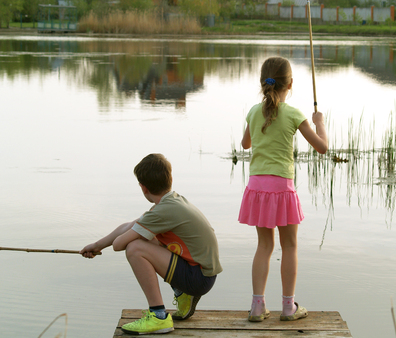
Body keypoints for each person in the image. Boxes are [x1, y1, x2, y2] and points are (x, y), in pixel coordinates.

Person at [81, 153, 222, 334]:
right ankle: (182, 292)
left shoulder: (161, 212)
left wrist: (132, 237)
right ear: (170, 178)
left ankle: (158, 316)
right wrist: (97, 245)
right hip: (203, 274)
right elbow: (130, 226)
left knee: (135, 248)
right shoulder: (171, 202)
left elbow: (119, 244)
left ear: (143, 187)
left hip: (198, 278)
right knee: (147, 237)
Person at [238, 57, 328, 322]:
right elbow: (322, 147)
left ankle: (257, 306)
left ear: (264, 83)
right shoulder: (293, 114)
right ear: (290, 83)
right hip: (281, 187)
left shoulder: (254, 111)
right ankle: (288, 307)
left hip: (257, 188)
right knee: (289, 246)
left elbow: (245, 144)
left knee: (264, 246)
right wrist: (319, 121)